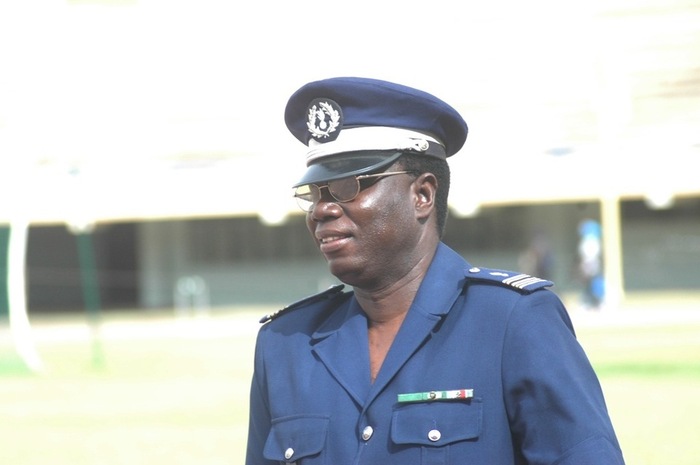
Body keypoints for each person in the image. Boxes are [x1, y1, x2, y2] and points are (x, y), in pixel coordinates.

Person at [246, 77, 625, 464]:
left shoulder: (513, 321)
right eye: (314, 193)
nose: (321, 210)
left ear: (422, 195)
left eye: (348, 186)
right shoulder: (285, 343)